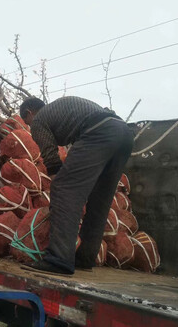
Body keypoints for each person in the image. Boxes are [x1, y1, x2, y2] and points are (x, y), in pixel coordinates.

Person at [20, 96, 134, 275]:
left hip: (99, 132)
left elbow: (51, 157)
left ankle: (59, 259)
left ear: (29, 113)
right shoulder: (60, 110)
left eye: (27, 123)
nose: (30, 128)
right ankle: (85, 258)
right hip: (123, 133)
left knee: (64, 189)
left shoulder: (39, 120)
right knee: (100, 199)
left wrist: (56, 187)